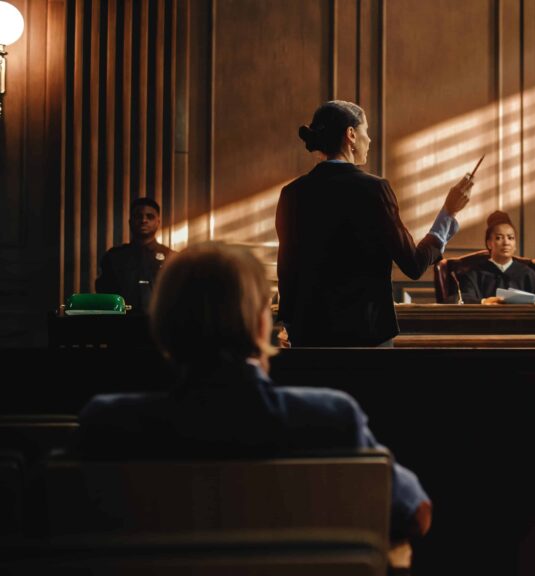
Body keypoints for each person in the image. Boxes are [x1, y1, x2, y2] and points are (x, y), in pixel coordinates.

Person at [78, 242, 432, 541]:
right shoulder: (332, 418)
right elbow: (416, 514)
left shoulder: (106, 423)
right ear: (263, 323)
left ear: (161, 325)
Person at [276, 100, 473, 347]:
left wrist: (291, 326)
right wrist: (448, 213)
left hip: (310, 336)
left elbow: (287, 270)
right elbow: (413, 264)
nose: (369, 140)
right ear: (350, 134)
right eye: (365, 132)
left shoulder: (292, 193)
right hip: (365, 336)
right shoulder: (374, 189)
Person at [449, 210, 535, 305]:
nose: (506, 243)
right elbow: (459, 299)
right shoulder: (475, 274)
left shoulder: (526, 273)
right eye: (499, 238)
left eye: (510, 238)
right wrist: (484, 302)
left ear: (515, 244)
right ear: (489, 243)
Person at [95, 197, 175, 312]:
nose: (144, 220)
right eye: (138, 216)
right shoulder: (113, 258)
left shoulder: (171, 258)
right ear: (130, 221)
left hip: (160, 324)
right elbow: (104, 295)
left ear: (158, 222)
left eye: (150, 216)